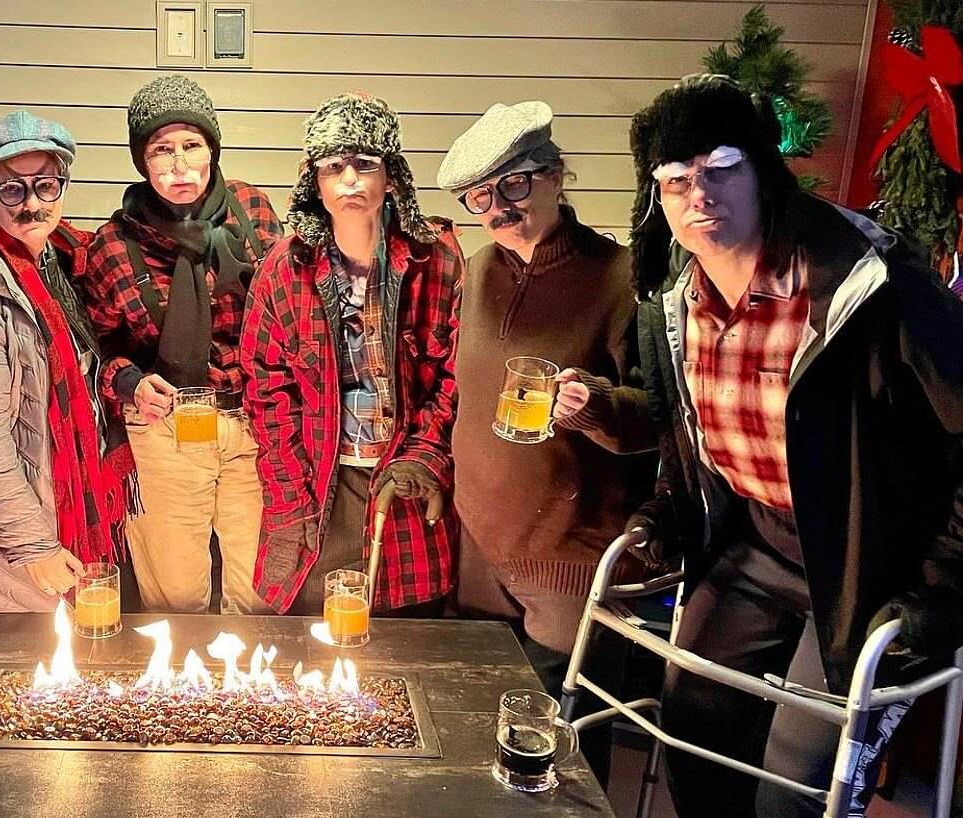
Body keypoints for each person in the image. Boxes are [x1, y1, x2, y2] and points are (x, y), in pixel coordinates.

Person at [626, 75, 963, 818]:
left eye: (721, 169)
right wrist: (670, 511)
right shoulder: (674, 307)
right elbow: (686, 435)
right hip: (756, 542)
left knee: (793, 780)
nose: (699, 196)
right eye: (676, 181)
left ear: (762, 168)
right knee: (692, 731)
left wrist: (942, 587)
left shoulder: (867, 284)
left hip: (869, 560)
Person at [435, 101, 653, 779]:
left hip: (567, 563)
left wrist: (596, 407)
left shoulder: (620, 278)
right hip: (478, 555)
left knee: (561, 759)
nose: (498, 207)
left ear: (557, 176)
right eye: (480, 196)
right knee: (476, 745)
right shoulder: (475, 272)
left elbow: (666, 418)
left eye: (515, 184)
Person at [240, 92, 461, 617]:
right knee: (312, 633)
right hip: (319, 478)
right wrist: (291, 490)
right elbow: (265, 387)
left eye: (366, 165)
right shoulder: (285, 268)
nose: (350, 182)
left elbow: (455, 375)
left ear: (391, 177)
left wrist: (424, 455)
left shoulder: (436, 259)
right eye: (333, 167)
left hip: (403, 475)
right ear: (313, 181)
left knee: (408, 628)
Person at [0, 111, 136, 612]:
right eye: (11, 189)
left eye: (46, 185)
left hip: (65, 503)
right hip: (8, 540)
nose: (32, 203)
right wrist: (32, 545)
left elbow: (83, 365)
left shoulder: (63, 266)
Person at [82, 75, 283, 614]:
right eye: (161, 150)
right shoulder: (113, 245)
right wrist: (127, 381)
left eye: (192, 145)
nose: (179, 165)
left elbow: (288, 314)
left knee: (259, 588)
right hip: (166, 429)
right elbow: (97, 348)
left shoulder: (252, 212)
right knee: (175, 595)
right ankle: (179, 697)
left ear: (212, 148)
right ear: (142, 162)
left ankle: (254, 694)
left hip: (252, 424)